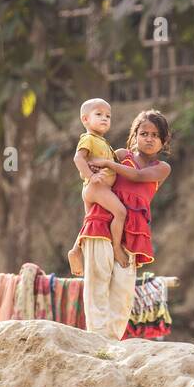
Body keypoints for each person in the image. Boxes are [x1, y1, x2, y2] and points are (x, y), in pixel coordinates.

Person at [79, 109, 172, 343]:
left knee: (123, 288)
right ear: (135, 135)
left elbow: (138, 177)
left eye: (155, 135)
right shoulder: (121, 154)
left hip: (133, 231)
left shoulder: (162, 168)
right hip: (102, 221)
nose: (149, 139)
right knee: (98, 279)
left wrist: (109, 163)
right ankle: (96, 338)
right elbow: (93, 181)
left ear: (163, 141)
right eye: (144, 133)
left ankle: (111, 340)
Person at [67, 98, 128, 276]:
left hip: (95, 189)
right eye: (99, 114)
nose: (104, 119)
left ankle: (76, 251)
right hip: (97, 188)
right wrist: (91, 176)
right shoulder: (89, 139)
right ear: (85, 119)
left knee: (90, 221)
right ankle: (116, 247)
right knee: (120, 213)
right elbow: (78, 158)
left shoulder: (101, 141)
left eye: (108, 116)